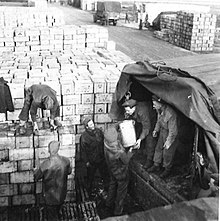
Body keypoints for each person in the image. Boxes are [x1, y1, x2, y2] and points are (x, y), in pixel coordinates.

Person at [34, 141, 72, 221]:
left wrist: (35, 170)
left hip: (49, 196)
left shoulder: (46, 164)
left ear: (49, 150)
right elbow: (69, 171)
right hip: (61, 194)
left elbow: (37, 177)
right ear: (58, 149)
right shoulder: (66, 161)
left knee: (52, 216)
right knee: (58, 210)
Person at [104, 126, 136, 216]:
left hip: (112, 170)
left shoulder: (106, 144)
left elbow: (111, 132)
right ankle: (118, 211)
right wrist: (131, 150)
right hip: (121, 173)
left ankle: (108, 204)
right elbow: (126, 160)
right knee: (121, 192)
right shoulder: (119, 152)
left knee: (113, 185)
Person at [148, 95, 178, 178]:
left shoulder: (170, 114)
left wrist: (168, 142)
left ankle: (167, 169)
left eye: (154, 104)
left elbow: (173, 131)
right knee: (158, 148)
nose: (153, 106)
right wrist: (156, 130)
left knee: (167, 153)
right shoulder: (159, 110)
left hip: (170, 134)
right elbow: (159, 121)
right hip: (163, 131)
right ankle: (156, 165)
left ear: (160, 104)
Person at [122, 98, 156, 169]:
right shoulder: (133, 109)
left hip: (151, 121)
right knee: (137, 133)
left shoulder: (142, 112)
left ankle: (149, 160)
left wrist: (140, 139)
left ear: (133, 108)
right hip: (141, 121)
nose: (127, 112)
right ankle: (139, 152)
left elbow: (146, 128)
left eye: (128, 111)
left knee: (150, 140)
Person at [80, 117, 109, 196]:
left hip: (101, 158)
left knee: (105, 174)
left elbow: (104, 142)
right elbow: (83, 151)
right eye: (90, 125)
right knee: (90, 177)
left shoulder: (98, 132)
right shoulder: (84, 137)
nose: (93, 126)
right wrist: (86, 161)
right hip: (92, 160)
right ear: (86, 127)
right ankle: (89, 192)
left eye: (92, 124)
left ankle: (107, 189)